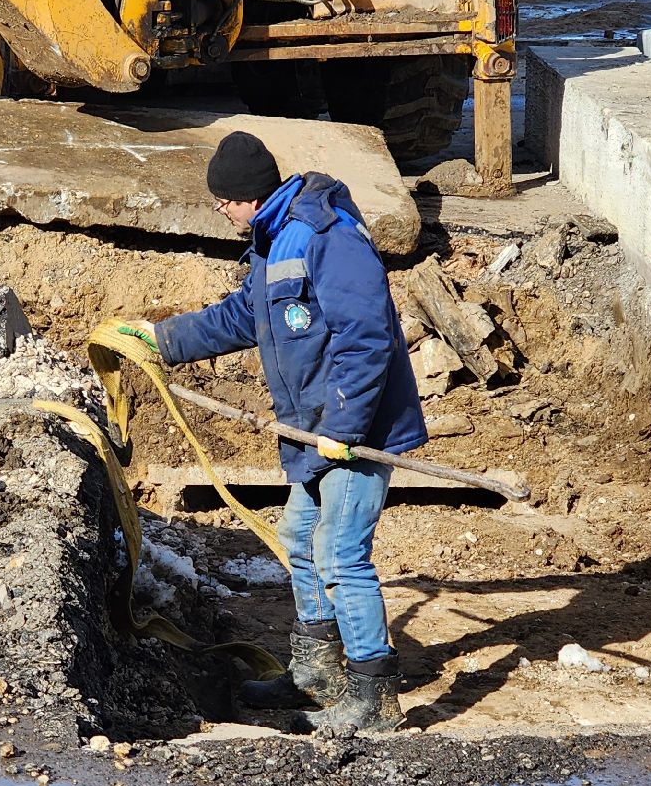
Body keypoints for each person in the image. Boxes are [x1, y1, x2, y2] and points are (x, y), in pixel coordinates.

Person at [126, 131, 427, 733]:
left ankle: (373, 693)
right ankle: (317, 672)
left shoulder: (326, 237)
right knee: (299, 533)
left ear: (243, 195)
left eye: (222, 200)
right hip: (313, 426)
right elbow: (244, 316)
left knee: (341, 553)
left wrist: (345, 425)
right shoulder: (272, 238)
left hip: (354, 427)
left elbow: (367, 336)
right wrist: (162, 339)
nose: (219, 210)